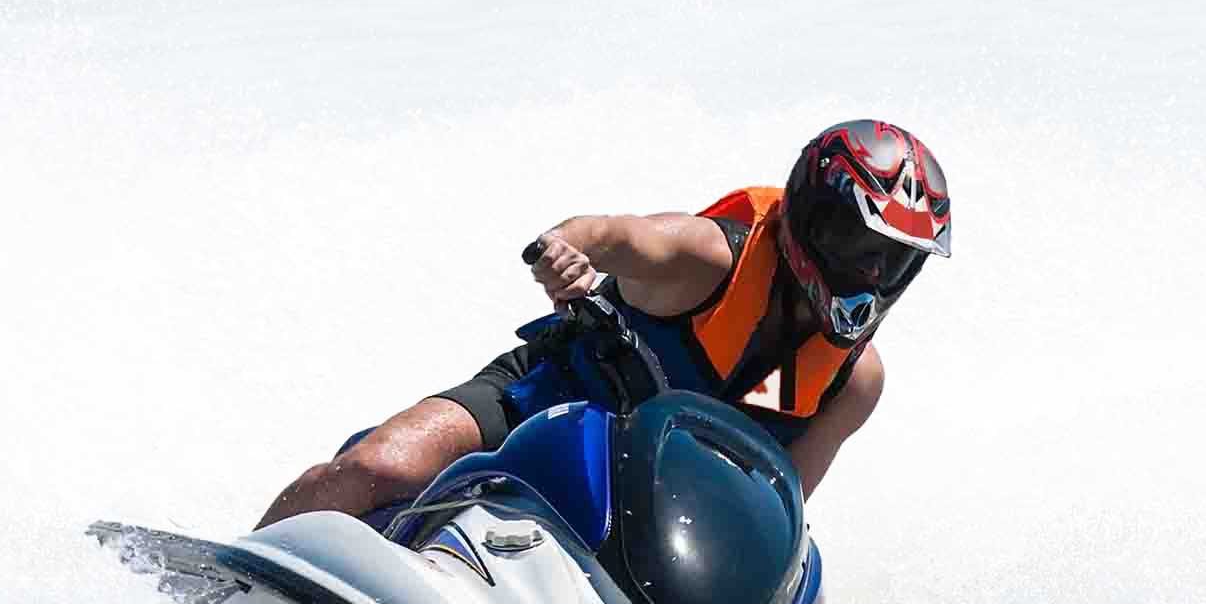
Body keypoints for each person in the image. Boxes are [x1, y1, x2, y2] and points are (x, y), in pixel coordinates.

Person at [256, 119, 951, 528]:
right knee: (379, 466)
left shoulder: (853, 382)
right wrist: (566, 250)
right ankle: (240, 572)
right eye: (862, 248)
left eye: (895, 261)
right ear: (811, 218)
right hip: (539, 407)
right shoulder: (707, 257)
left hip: (651, 510)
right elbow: (612, 233)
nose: (872, 276)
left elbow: (776, 508)